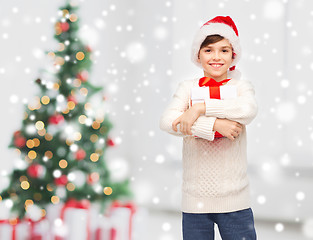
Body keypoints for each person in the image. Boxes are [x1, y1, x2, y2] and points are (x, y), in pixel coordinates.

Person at [159, 16, 258, 240]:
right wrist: (214, 124)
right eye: (208, 50)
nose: (216, 57)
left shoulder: (241, 86)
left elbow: (247, 110)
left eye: (224, 50)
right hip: (195, 200)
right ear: (198, 54)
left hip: (235, 200)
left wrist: (199, 108)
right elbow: (168, 121)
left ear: (234, 55)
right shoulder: (187, 87)